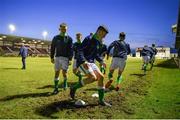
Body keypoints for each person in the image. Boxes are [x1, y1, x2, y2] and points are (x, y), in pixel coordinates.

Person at [70, 25, 111, 107]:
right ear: (99, 31)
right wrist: (83, 61)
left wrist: (101, 61)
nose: (104, 36)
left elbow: (96, 54)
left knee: (101, 77)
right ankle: (74, 88)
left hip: (91, 62)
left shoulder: (98, 41)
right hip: (83, 62)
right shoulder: (89, 38)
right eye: (104, 34)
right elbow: (80, 50)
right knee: (92, 78)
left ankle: (101, 100)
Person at [50, 23, 73, 94]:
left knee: (64, 73)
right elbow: (53, 47)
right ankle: (56, 88)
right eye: (62, 28)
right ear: (59, 29)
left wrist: (70, 59)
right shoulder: (56, 37)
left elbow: (71, 50)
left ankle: (65, 84)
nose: (64, 30)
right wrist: (51, 57)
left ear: (67, 29)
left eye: (65, 29)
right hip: (57, 58)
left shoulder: (69, 38)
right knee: (56, 72)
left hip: (65, 58)